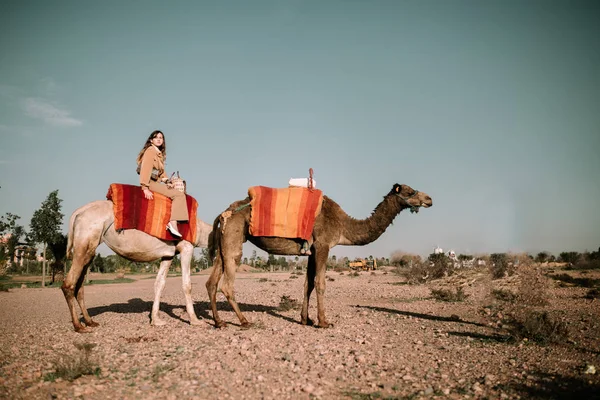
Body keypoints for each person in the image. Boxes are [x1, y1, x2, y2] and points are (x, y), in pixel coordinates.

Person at [136, 130, 188, 237]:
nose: (159, 139)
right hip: (150, 183)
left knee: (174, 191)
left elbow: (162, 173)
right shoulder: (150, 151)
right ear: (151, 140)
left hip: (155, 182)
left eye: (161, 138)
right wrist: (144, 188)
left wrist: (167, 181)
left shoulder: (159, 154)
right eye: (156, 137)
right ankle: (173, 223)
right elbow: (146, 169)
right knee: (179, 195)